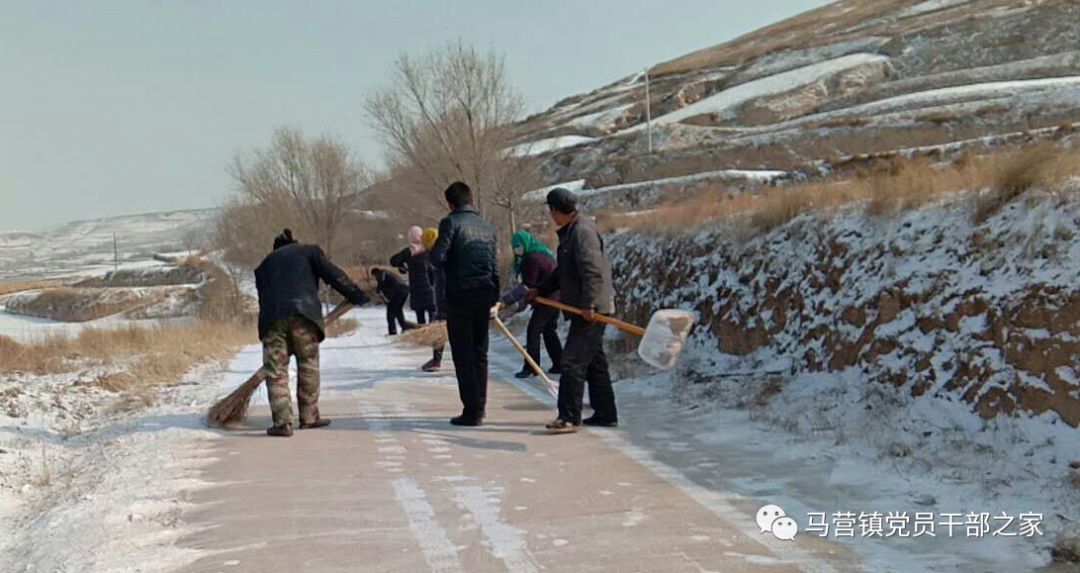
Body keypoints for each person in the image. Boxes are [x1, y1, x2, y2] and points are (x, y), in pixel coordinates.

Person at [254, 228, 369, 437]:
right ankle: (309, 417)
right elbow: (334, 275)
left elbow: (263, 299)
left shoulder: (264, 265)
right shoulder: (309, 252)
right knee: (308, 365)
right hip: (304, 317)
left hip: (272, 321)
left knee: (276, 370)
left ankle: (282, 422)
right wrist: (355, 293)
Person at [531, 188, 618, 433]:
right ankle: (605, 412)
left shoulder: (582, 232)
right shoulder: (571, 233)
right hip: (585, 306)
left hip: (591, 309)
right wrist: (541, 289)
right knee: (594, 363)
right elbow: (563, 272)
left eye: (551, 212)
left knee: (572, 362)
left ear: (556, 211)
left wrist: (589, 304)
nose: (551, 216)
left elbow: (592, 271)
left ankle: (569, 416)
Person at [429, 181, 499, 426]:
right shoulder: (487, 227)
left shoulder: (450, 223)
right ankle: (480, 406)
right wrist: (495, 296)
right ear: (471, 200)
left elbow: (437, 258)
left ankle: (471, 411)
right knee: (480, 353)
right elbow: (493, 265)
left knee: (463, 354)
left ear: (450, 203)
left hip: (460, 296)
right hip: (485, 294)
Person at [500, 230, 563, 378]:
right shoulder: (542, 252)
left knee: (533, 330)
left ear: (525, 243)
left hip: (548, 298)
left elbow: (527, 285)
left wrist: (506, 301)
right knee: (549, 330)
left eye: (519, 246)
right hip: (556, 297)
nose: (517, 249)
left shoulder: (532, 258)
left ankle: (531, 367)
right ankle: (559, 363)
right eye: (515, 247)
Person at [389, 226, 437, 324]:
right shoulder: (428, 249)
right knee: (433, 316)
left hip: (416, 289)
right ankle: (432, 334)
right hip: (431, 288)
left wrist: (403, 265)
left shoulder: (409, 251)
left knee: (420, 316)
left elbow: (393, 261)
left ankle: (422, 335)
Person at [420, 227, 446, 372]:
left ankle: (436, 360)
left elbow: (431, 279)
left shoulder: (431, 256)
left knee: (439, 329)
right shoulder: (448, 251)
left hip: (442, 296)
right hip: (455, 295)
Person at [371, 267, 410, 335]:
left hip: (399, 292)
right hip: (405, 290)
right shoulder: (386, 274)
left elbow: (386, 285)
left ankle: (393, 331)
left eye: (374, 276)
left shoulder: (382, 275)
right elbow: (382, 286)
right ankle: (404, 327)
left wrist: (387, 297)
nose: (375, 278)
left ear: (376, 273)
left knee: (391, 311)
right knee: (398, 310)